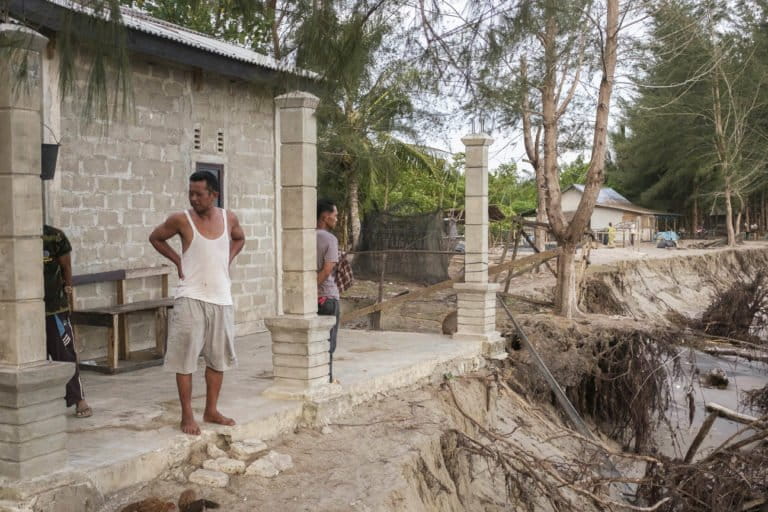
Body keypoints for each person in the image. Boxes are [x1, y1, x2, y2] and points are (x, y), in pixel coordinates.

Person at [149, 171, 245, 435]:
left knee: (218, 360)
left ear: (214, 194)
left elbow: (240, 238)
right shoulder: (182, 219)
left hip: (221, 298)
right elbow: (156, 237)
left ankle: (211, 410)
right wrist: (177, 260)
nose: (194, 198)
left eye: (199, 194)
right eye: (190, 193)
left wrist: (228, 257)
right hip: (190, 297)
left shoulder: (229, 218)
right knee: (185, 360)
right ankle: (187, 415)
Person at [43, 225, 91, 418]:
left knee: (64, 354)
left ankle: (79, 399)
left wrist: (68, 293)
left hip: (54, 309)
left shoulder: (54, 236)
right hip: (23, 312)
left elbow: (66, 267)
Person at [317, 199, 340, 384]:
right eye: (335, 215)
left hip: (312, 300)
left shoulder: (304, 236)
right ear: (325, 217)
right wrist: (313, 288)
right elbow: (327, 269)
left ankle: (317, 378)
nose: (337, 219)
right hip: (328, 297)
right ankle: (328, 379)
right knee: (329, 342)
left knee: (314, 341)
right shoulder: (330, 239)